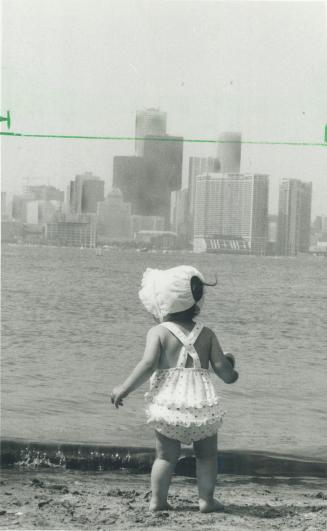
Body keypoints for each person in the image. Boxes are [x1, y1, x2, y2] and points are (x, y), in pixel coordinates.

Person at [110, 265, 238, 513]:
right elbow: (224, 371)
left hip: (169, 404)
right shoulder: (207, 334)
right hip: (201, 405)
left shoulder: (158, 332)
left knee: (165, 457)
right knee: (207, 456)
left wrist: (124, 389)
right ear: (196, 301)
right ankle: (206, 500)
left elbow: (147, 365)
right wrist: (233, 371)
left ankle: (158, 501)